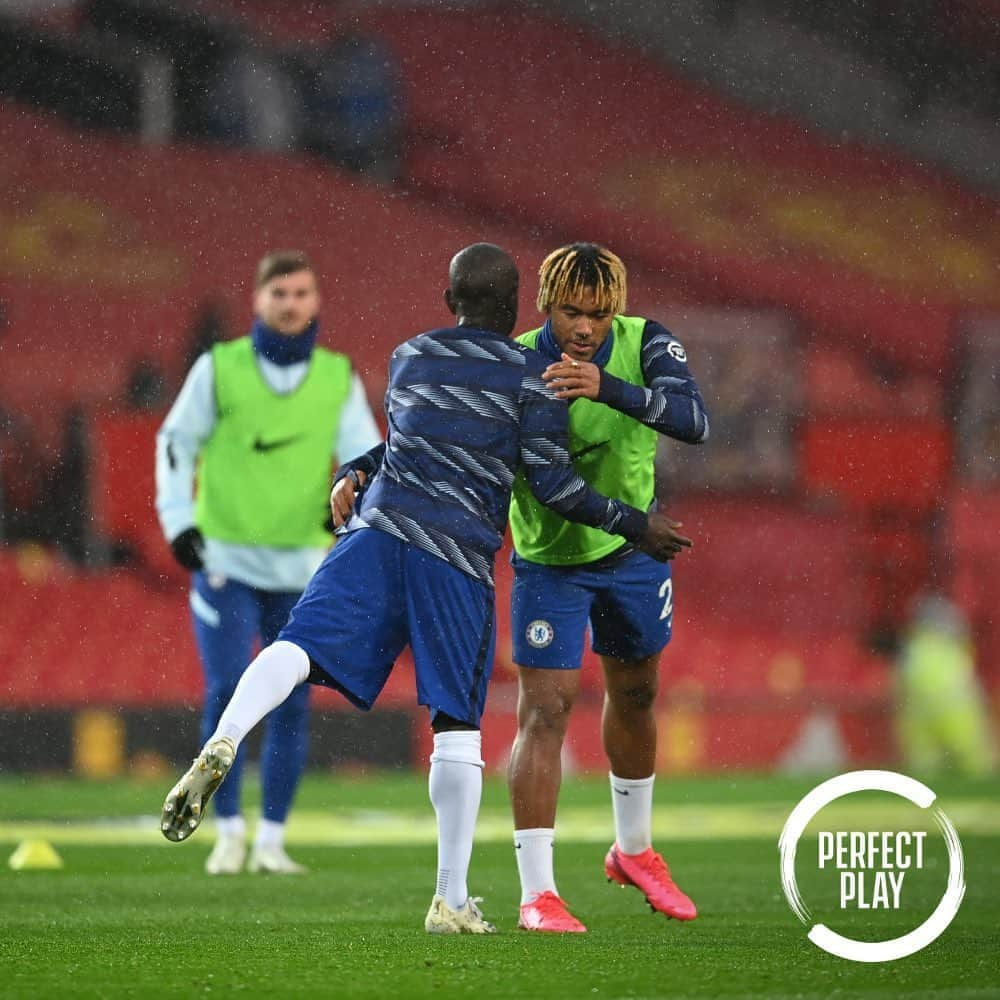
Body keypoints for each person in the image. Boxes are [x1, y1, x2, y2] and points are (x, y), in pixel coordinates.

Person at [160, 243, 693, 934]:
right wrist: (635, 524)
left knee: (295, 646)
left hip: (375, 533)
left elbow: (406, 441)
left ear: (450, 302)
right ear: (516, 309)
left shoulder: (410, 355)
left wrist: (352, 468)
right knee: (456, 728)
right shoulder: (535, 375)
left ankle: (226, 737)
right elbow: (555, 485)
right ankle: (450, 898)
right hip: (454, 555)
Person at [155, 250, 381, 875]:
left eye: (301, 294)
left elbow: (365, 456)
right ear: (257, 301)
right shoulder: (219, 369)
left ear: (315, 303)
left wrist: (346, 514)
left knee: (292, 701)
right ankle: (226, 830)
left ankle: (272, 839)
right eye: (279, 293)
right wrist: (179, 522)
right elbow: (176, 442)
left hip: (303, 566)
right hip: (226, 557)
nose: (290, 304)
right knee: (228, 687)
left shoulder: (337, 378)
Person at [506, 243, 710, 933]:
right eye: (571, 312)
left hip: (633, 555)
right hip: (551, 560)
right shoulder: (517, 364)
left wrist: (608, 387)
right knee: (547, 710)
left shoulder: (647, 341)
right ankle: (538, 893)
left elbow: (694, 422)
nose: (586, 328)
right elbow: (550, 484)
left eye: (599, 313)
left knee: (638, 691)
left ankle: (633, 851)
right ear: (545, 304)